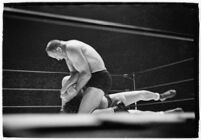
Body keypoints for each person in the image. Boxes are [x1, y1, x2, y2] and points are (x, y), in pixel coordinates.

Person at [46, 39, 112, 113]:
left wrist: (76, 90)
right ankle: (64, 111)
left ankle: (117, 110)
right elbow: (74, 74)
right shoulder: (67, 54)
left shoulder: (71, 48)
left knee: (82, 115)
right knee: (65, 80)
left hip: (99, 79)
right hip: (88, 79)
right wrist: (63, 91)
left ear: (58, 49)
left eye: (55, 56)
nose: (58, 59)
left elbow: (86, 74)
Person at [60, 75, 177, 114]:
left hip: (109, 99)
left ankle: (159, 96)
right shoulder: (66, 96)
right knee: (134, 114)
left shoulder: (82, 80)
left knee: (141, 94)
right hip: (104, 112)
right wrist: (117, 109)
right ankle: (163, 115)